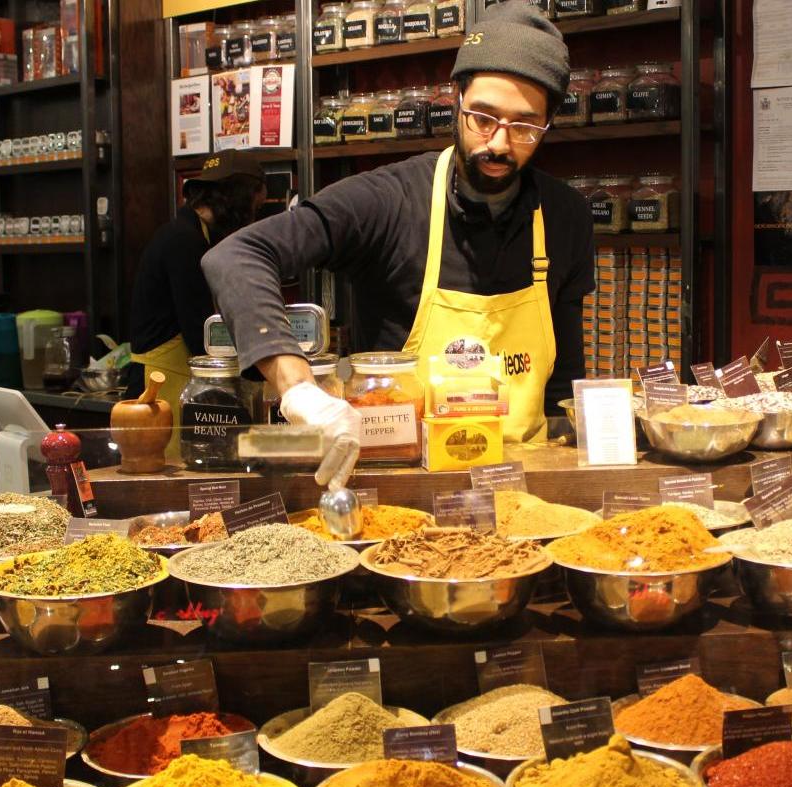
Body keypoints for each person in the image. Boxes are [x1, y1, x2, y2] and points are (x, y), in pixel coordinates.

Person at [202, 1, 595, 489]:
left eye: (524, 126)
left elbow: (562, 384)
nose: (498, 142)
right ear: (456, 98)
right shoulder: (387, 201)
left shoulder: (565, 217)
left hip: (522, 484)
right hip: (401, 485)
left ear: (549, 122)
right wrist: (299, 390)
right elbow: (236, 255)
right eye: (483, 117)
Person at [125, 152, 267, 450]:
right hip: (162, 388)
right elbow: (200, 334)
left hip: (168, 381)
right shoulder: (184, 241)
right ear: (238, 199)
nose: (254, 217)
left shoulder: (187, 234)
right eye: (255, 206)